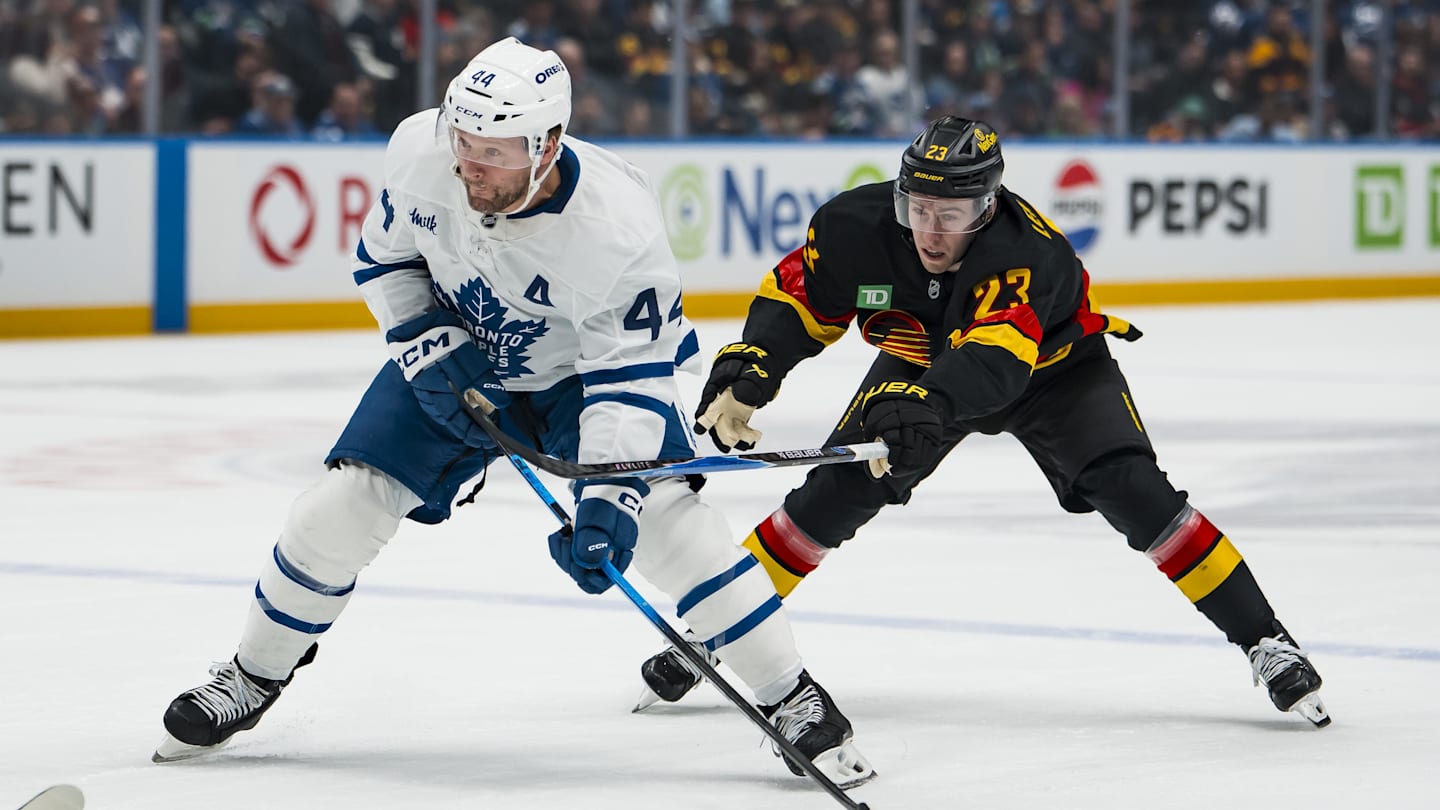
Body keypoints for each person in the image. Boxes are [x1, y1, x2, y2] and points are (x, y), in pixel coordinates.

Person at [153, 37, 876, 788]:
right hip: (461, 350)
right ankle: (251, 677)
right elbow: (385, 261)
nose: (470, 165)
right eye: (463, 141)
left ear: (548, 144)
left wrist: (606, 501)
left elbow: (625, 382)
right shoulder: (421, 151)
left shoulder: (616, 227)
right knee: (335, 510)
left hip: (582, 381)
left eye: (494, 151)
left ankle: (791, 696)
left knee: (667, 525)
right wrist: (429, 346)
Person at [636, 115, 1330, 729]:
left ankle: (1266, 641)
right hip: (922, 367)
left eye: (955, 212)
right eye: (920, 208)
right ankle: (718, 629)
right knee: (833, 494)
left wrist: (927, 406)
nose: (931, 232)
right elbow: (799, 296)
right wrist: (754, 364)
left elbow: (997, 357)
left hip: (1052, 371)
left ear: (989, 204)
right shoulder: (857, 226)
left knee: (1133, 489)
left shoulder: (1024, 252)